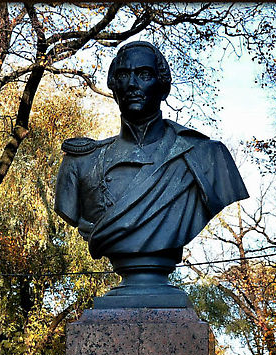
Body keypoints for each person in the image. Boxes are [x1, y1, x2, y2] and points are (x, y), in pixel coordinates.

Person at [55, 41, 248, 304]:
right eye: (124, 76)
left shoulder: (207, 157)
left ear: (163, 85)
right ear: (114, 86)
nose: (132, 84)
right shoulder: (81, 162)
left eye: (144, 74)